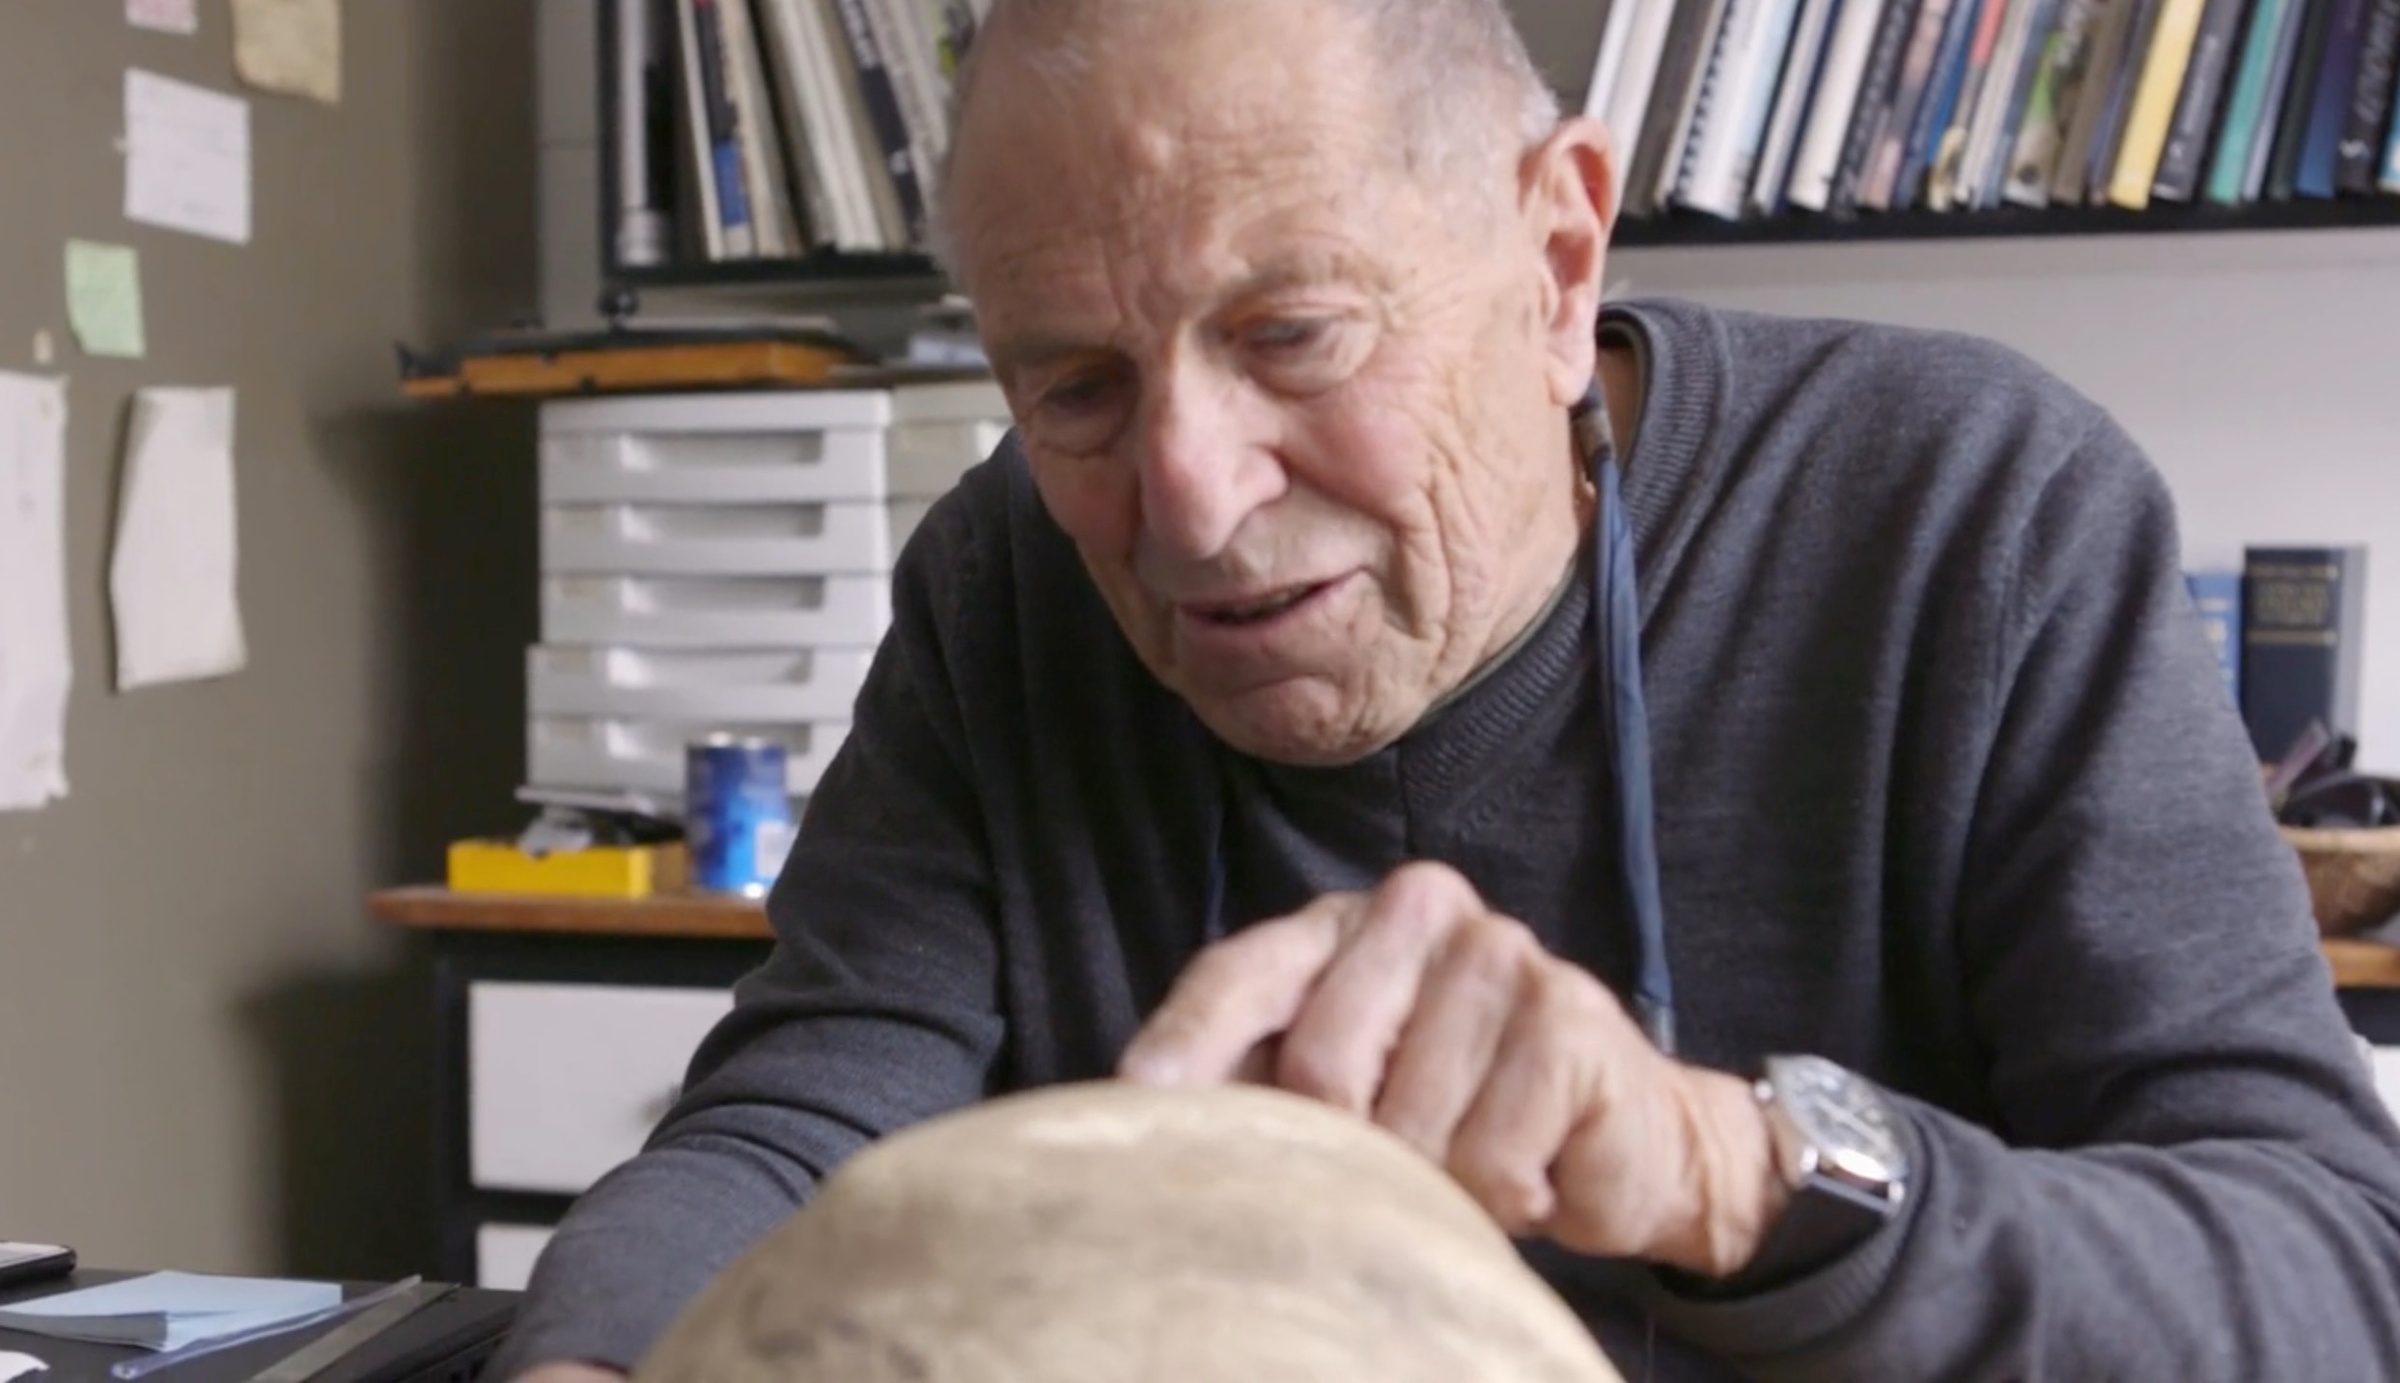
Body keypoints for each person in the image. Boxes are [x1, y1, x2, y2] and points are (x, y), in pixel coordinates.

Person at [497, 0, 2400, 1377]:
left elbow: (2331, 1281)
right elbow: (785, 1138)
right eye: (1074, 387)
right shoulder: (1006, 581)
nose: (1190, 500)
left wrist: (1726, 1166)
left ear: (1558, 257)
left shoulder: (1970, 514)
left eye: (1295, 334)